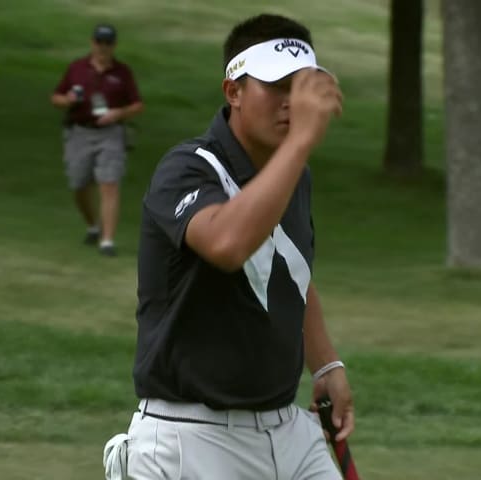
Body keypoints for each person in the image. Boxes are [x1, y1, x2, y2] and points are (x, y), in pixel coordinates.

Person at [102, 13, 353, 480]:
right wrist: (300, 143)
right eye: (276, 86)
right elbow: (228, 244)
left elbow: (288, 271)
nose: (290, 103)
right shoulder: (186, 169)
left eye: (301, 88)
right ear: (233, 91)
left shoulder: (292, 175)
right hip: (191, 438)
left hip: (288, 431)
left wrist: (326, 363)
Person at [51, 23, 144, 257]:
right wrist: (68, 100)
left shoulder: (122, 73)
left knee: (109, 183)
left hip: (111, 133)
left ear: (113, 46)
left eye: (108, 43)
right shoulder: (77, 69)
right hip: (79, 132)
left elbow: (137, 104)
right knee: (79, 184)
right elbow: (56, 97)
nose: (103, 47)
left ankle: (107, 241)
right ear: (92, 43)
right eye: (99, 42)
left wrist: (118, 113)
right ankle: (93, 225)